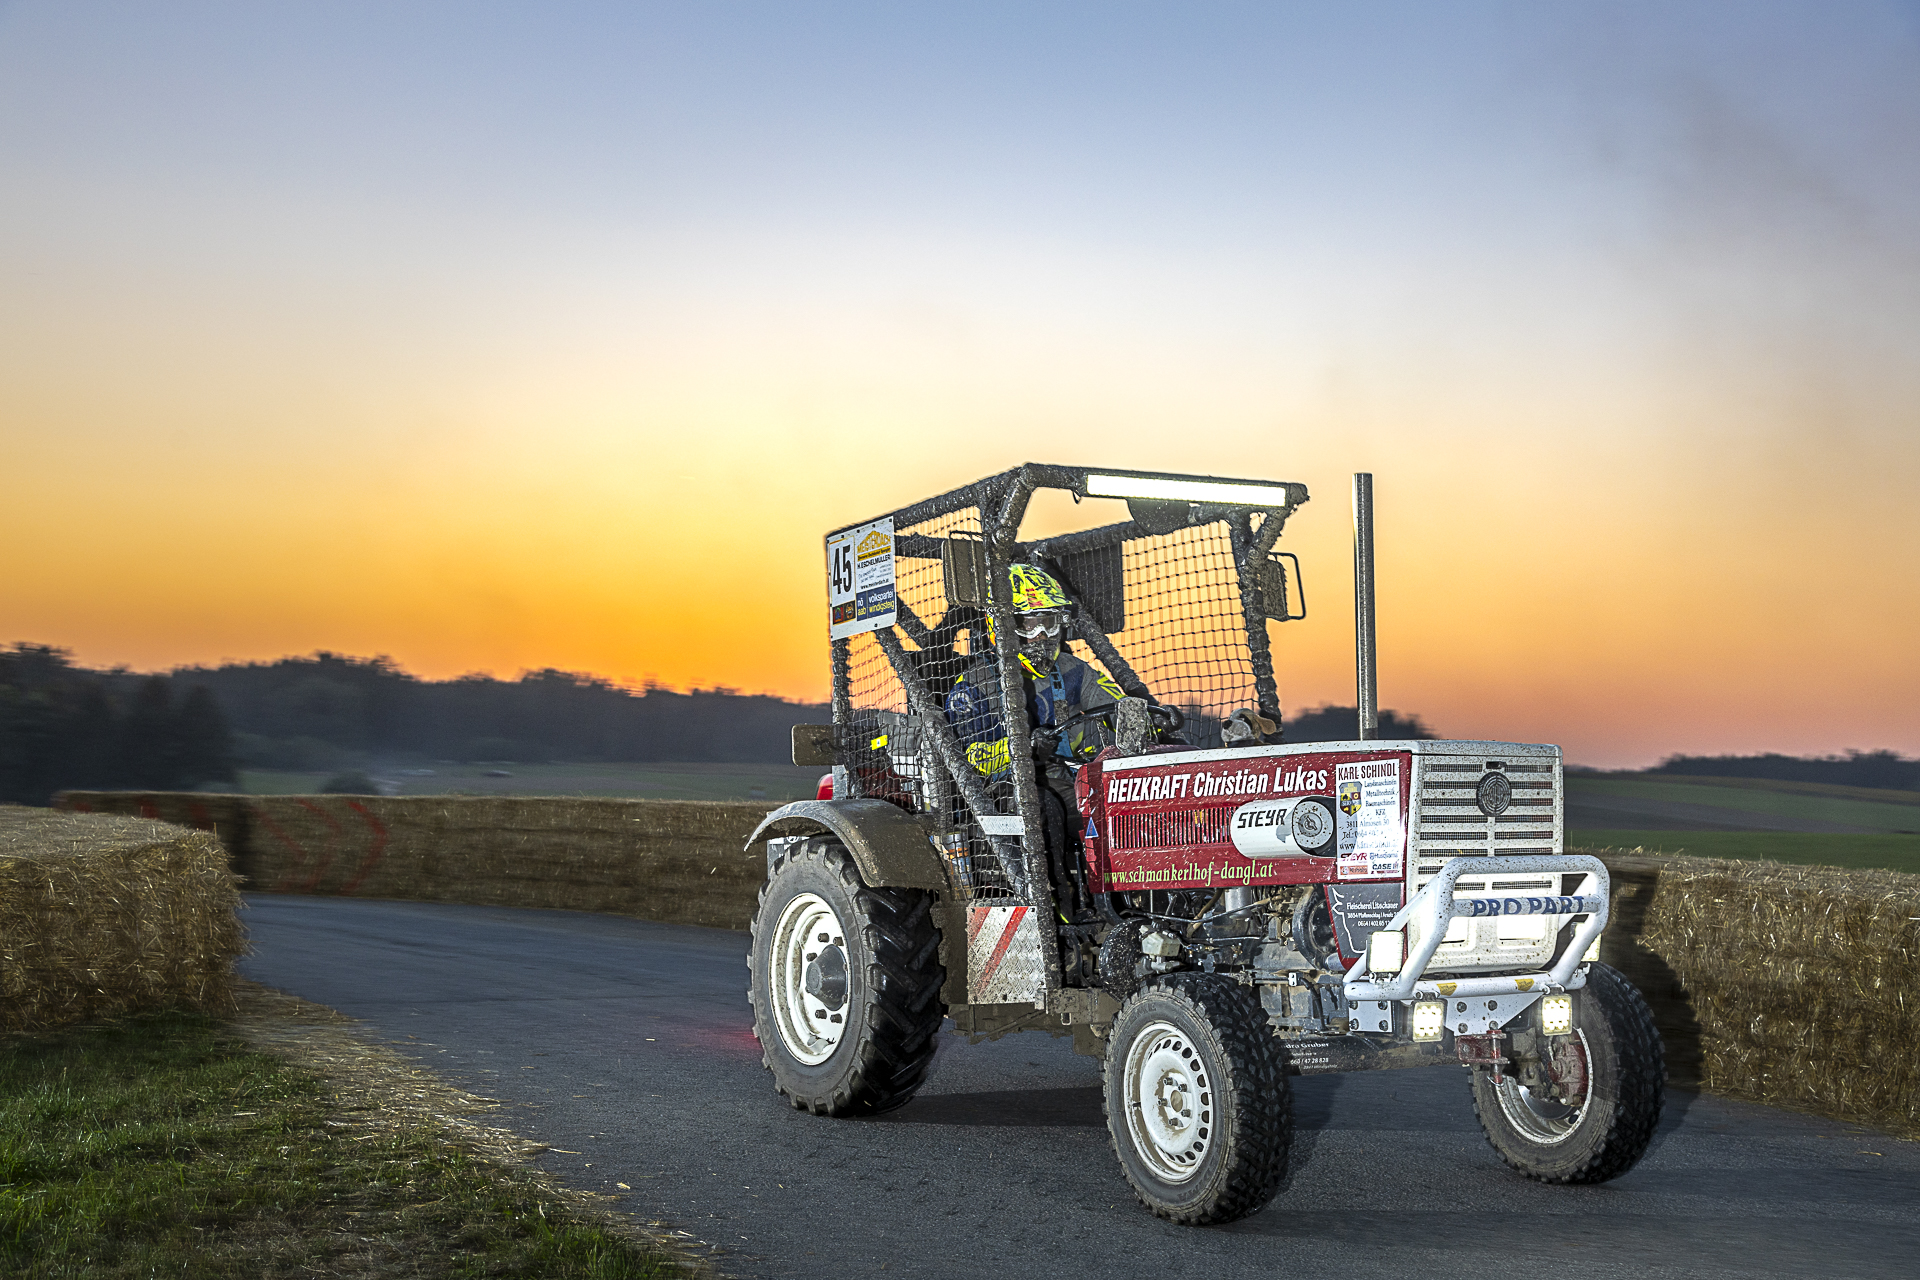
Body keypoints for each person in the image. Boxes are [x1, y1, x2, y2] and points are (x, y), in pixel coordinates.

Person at [944, 564, 1131, 915]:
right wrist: (1023, 749)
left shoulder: (1075, 671)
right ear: (1002, 626)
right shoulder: (974, 686)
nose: (1042, 635)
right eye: (1030, 624)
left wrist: (1148, 717)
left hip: (1070, 777)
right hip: (1003, 790)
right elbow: (971, 758)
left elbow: (1116, 706)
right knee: (1043, 808)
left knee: (1125, 802)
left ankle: (1132, 905)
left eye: (1049, 622)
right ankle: (1057, 911)